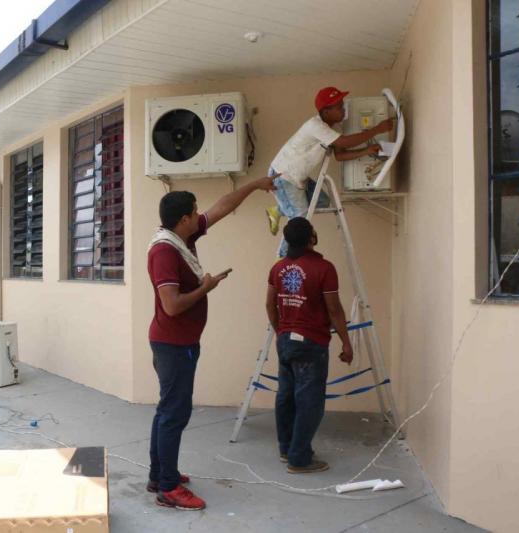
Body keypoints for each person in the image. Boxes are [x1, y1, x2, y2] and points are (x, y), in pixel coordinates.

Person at [147, 176, 276, 510]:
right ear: (184, 220)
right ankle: (168, 489)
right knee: (174, 413)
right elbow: (171, 305)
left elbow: (222, 207)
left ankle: (160, 474)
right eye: (194, 212)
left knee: (167, 409)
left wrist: (254, 185)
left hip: (181, 341)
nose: (199, 215)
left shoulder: (182, 237)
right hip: (173, 344)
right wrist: (207, 287)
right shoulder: (165, 251)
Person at [266, 217, 353, 473]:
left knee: (286, 396)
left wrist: (281, 331)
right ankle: (299, 458)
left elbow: (270, 305)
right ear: (311, 239)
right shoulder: (324, 268)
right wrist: (347, 342)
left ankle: (287, 448)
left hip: (286, 341)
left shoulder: (277, 268)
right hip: (311, 343)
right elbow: (334, 309)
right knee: (309, 402)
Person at [266, 86, 393, 256]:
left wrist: (367, 151)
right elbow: (345, 142)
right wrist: (377, 129)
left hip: (298, 177)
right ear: (326, 111)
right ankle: (282, 259)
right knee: (300, 220)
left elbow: (340, 155)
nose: (343, 109)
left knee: (322, 202)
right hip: (283, 176)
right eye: (339, 106)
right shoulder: (315, 125)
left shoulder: (333, 130)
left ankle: (278, 210)